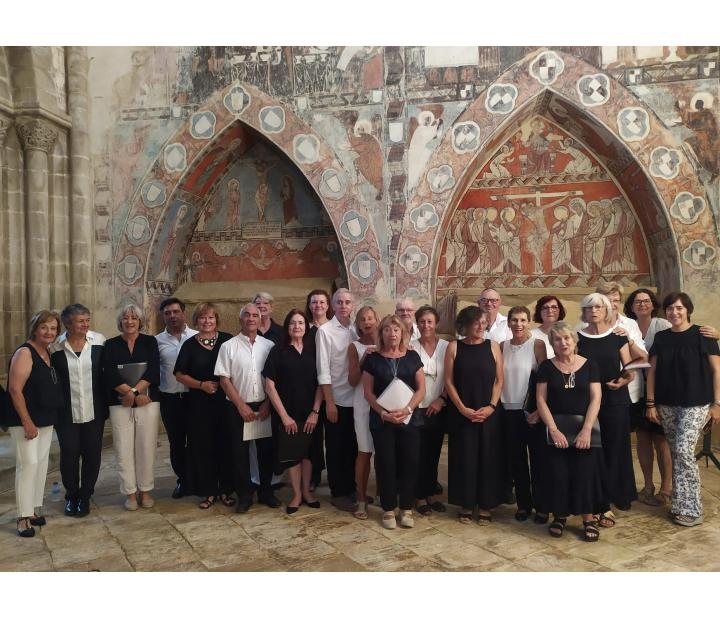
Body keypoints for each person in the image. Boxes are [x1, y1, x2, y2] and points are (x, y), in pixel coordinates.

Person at [646, 292, 720, 527]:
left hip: (697, 403)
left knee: (683, 451)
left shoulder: (704, 335)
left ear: (688, 309)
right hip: (667, 403)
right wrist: (650, 403)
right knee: (677, 453)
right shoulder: (661, 337)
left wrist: (717, 404)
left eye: (679, 308)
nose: (674, 312)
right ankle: (680, 504)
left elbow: (717, 371)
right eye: (670, 309)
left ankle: (692, 509)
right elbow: (652, 371)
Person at [577, 293, 645, 524]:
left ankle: (619, 494)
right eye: (589, 307)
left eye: (598, 307)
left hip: (616, 399)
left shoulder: (618, 337)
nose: (593, 311)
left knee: (617, 448)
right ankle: (599, 499)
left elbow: (631, 368)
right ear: (584, 312)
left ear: (606, 310)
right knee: (594, 451)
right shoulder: (577, 338)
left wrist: (624, 381)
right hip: (587, 402)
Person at [535, 322, 603, 542]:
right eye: (557, 339)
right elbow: (540, 400)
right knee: (558, 473)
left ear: (574, 341)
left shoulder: (590, 364)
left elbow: (596, 398)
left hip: (585, 427)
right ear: (552, 343)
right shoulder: (546, 366)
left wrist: (586, 430)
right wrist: (553, 430)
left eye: (566, 338)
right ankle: (560, 515)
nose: (563, 343)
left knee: (584, 473)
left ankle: (588, 518)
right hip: (556, 429)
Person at [445, 306, 509, 525]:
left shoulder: (493, 346)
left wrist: (491, 406)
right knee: (465, 458)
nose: (481, 326)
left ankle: (485, 504)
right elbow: (449, 382)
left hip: (489, 412)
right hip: (462, 412)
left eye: (484, 323)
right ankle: (466, 503)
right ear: (465, 325)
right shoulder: (454, 347)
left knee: (488, 458)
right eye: (476, 323)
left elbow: (499, 380)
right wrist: (462, 408)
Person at [362, 315, 425, 529]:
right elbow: (368, 393)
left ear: (403, 333)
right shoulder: (373, 359)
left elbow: (421, 389)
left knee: (410, 462)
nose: (392, 334)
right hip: (382, 421)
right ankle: (388, 509)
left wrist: (408, 409)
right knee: (386, 463)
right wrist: (383, 413)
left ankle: (406, 508)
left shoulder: (412, 357)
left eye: (396, 330)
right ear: (382, 334)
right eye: (388, 330)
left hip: (410, 419)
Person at [215, 303, 279, 513]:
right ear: (240, 319)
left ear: (261, 320)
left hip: (263, 405)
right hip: (236, 406)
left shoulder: (269, 345)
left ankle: (266, 491)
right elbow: (224, 380)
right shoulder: (228, 346)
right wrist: (241, 406)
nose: (251, 318)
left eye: (255, 315)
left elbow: (273, 379)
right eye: (247, 315)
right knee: (239, 453)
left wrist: (268, 404)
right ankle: (244, 495)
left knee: (265, 452)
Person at [7, 311, 63, 537]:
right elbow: (14, 389)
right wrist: (27, 421)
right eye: (44, 328)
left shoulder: (47, 351)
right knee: (28, 464)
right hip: (25, 420)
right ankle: (22, 517)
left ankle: (32, 510)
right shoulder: (25, 352)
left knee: (40, 464)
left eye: (53, 328)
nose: (49, 332)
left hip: (45, 417)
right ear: (35, 329)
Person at [174, 302, 234, 509]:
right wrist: (201, 385)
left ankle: (226, 489)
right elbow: (179, 374)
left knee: (226, 446)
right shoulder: (189, 345)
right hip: (199, 404)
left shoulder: (228, 340)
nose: (207, 321)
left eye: (210, 317)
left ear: (216, 319)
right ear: (196, 321)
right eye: (202, 318)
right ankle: (208, 491)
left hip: (226, 403)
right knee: (203, 447)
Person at [50, 304, 107, 518]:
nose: (86, 324)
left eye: (87, 320)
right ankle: (71, 496)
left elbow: (105, 373)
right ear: (67, 324)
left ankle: (85, 496)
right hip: (66, 412)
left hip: (94, 409)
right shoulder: (55, 346)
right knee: (70, 455)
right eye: (80, 320)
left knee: (92, 454)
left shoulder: (99, 341)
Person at [102, 304, 161, 511]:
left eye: (134, 318)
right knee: (123, 448)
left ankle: (145, 491)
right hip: (119, 403)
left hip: (147, 402)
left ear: (140, 321)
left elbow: (154, 370)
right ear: (120, 322)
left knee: (146, 446)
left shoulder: (150, 341)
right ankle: (130, 493)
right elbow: (108, 373)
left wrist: (134, 394)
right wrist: (127, 394)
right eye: (125, 317)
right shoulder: (110, 344)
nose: (129, 321)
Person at [263, 309, 322, 514]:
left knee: (309, 454)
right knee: (293, 455)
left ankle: (307, 491)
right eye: (292, 323)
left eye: (300, 323)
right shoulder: (278, 351)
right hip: (287, 411)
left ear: (306, 327)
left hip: (311, 412)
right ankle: (296, 494)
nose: (296, 327)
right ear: (287, 327)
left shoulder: (314, 350)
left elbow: (321, 383)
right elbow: (269, 385)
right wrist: (284, 416)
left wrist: (315, 412)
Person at [623, 288, 672, 507]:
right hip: (637, 388)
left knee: (661, 440)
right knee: (642, 438)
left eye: (646, 301)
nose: (642, 304)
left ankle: (666, 488)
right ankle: (648, 485)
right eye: (637, 301)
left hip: (660, 389)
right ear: (631, 306)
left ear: (653, 304)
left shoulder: (661, 325)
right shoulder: (628, 326)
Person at [500, 305, 547, 521]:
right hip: (508, 410)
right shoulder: (502, 346)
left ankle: (542, 506)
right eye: (514, 320)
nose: (518, 324)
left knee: (538, 460)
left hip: (531, 412)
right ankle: (523, 505)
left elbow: (544, 380)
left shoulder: (537, 344)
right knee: (516, 461)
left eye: (522, 320)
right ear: (508, 322)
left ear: (528, 322)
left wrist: (539, 410)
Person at [316, 288, 358, 512]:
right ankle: (338, 492)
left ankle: (351, 488)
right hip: (337, 399)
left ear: (352, 305)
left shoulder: (356, 329)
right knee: (336, 448)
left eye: (347, 302)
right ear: (333, 306)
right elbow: (323, 370)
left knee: (353, 447)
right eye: (339, 302)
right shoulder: (325, 331)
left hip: (357, 400)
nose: (343, 305)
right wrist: (329, 402)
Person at [155, 297, 198, 499]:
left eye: (175, 312)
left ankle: (200, 480)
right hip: (171, 399)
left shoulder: (198, 337)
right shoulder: (157, 341)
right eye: (167, 313)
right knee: (177, 442)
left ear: (183, 313)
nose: (172, 316)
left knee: (198, 440)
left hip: (195, 398)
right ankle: (183, 480)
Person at [413, 305, 449, 516]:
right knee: (417, 454)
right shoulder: (409, 346)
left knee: (433, 453)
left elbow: (451, 377)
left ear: (436, 324)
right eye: (422, 321)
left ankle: (430, 493)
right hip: (416, 409)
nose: (426, 325)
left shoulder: (446, 346)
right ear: (417, 324)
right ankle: (418, 496)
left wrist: (441, 399)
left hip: (438, 407)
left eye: (429, 321)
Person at [347, 305, 378, 519]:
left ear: (377, 320)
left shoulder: (387, 343)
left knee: (386, 452)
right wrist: (364, 359)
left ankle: (387, 496)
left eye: (370, 318)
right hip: (363, 404)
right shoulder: (354, 347)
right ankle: (360, 498)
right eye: (362, 319)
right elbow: (352, 380)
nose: (367, 322)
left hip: (385, 403)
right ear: (357, 325)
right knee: (364, 451)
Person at [305, 288, 333, 491]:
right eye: (314, 302)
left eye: (322, 302)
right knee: (313, 437)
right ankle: (313, 476)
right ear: (309, 305)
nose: (318, 306)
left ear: (328, 305)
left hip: (331, 388)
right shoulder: (303, 328)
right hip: (310, 388)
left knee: (332, 436)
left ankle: (335, 476)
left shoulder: (334, 328)